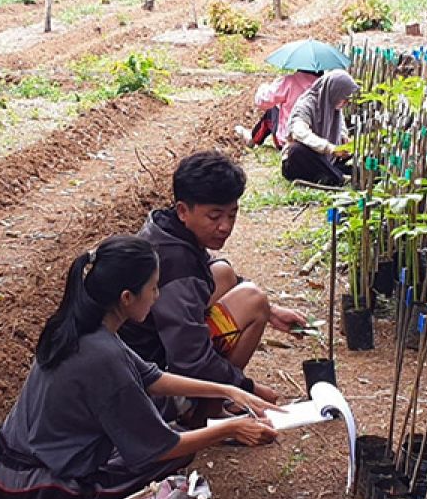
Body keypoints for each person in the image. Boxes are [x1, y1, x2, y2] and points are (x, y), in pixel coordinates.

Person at [0, 236, 278, 499]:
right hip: (37, 494)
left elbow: (152, 378)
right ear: (127, 297)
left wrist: (229, 390)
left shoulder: (81, 326)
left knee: (153, 427)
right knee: (177, 452)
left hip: (0, 472)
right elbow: (162, 448)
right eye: (153, 288)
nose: (157, 296)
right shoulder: (103, 355)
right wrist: (230, 429)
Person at [119, 152, 306, 411]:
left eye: (232, 214)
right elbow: (190, 360)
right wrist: (245, 388)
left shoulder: (165, 228)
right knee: (254, 301)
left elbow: (211, 274)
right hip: (150, 382)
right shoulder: (177, 265)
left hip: (151, 348)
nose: (225, 226)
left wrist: (273, 312)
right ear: (184, 210)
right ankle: (206, 408)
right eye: (214, 216)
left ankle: (214, 397)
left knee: (224, 273)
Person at [281, 69, 359, 187]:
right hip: (303, 162)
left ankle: (333, 175)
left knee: (355, 166)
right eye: (345, 98)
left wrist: (343, 138)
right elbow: (299, 132)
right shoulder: (306, 104)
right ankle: (338, 177)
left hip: (326, 160)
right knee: (296, 150)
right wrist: (330, 148)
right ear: (335, 92)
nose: (346, 102)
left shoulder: (334, 106)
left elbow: (341, 126)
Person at [237, 69, 321, 148]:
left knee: (272, 110)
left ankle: (253, 139)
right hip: (316, 141)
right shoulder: (325, 86)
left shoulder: (290, 81)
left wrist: (263, 88)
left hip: (287, 141)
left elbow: (262, 101)